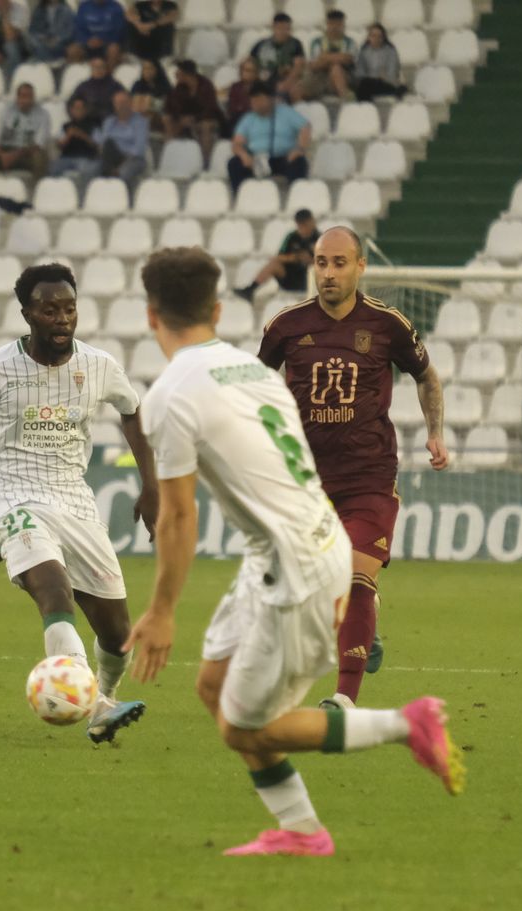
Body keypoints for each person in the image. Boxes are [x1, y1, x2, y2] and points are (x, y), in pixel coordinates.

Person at [126, 246, 463, 859]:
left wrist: (162, 611)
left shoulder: (170, 395)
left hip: (298, 564)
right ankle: (302, 832)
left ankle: (405, 724)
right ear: (217, 310)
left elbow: (178, 516)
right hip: (284, 550)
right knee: (213, 686)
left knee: (244, 726)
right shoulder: (249, 370)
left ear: (151, 316)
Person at [0, 262, 156, 742]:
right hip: (16, 499)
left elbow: (132, 412)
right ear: (27, 314)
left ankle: (103, 699)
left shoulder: (99, 365)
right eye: (49, 310)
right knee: (54, 593)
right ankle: (92, 701)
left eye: (69, 309)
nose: (62, 319)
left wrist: (151, 485)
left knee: (118, 635)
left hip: (75, 502)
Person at [256, 227, 449, 712]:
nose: (328, 273)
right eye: (321, 262)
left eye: (339, 263)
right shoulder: (285, 326)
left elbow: (426, 376)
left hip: (369, 478)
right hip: (306, 483)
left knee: (357, 579)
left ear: (360, 267)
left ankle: (344, 698)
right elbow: (257, 388)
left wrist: (435, 432)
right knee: (313, 590)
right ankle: (364, 625)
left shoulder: (387, 324)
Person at [227, 84, 310, 193]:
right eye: (253, 101)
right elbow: (237, 143)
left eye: (260, 100)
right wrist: (244, 155)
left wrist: (299, 149)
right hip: (256, 160)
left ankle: (297, 196)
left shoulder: (286, 112)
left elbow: (305, 128)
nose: (256, 104)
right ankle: (240, 196)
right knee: (234, 163)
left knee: (299, 162)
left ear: (271, 99)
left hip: (283, 158)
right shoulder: (248, 119)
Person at [235, 209, 318, 302]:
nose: (304, 227)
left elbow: (325, 262)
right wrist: (295, 257)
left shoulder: (319, 238)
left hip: (309, 279)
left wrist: (310, 260)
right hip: (291, 277)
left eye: (306, 224)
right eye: (301, 225)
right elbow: (279, 257)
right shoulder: (291, 237)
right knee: (274, 263)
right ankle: (250, 290)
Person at [0, 82, 50, 179]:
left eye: (29, 96)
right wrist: (3, 155)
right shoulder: (5, 111)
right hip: (5, 151)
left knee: (40, 158)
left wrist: (13, 156)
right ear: (17, 97)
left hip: (27, 154)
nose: (26, 100)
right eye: (23, 96)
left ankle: (37, 187)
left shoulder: (42, 114)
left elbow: (38, 145)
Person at [163, 59, 222, 160]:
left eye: (179, 72)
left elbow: (210, 109)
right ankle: (170, 157)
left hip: (206, 119)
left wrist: (194, 118)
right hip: (187, 119)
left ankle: (205, 161)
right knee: (168, 120)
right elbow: (171, 106)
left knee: (205, 126)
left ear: (187, 74)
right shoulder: (180, 87)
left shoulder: (206, 85)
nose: (176, 74)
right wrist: (180, 118)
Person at [95, 89, 148, 190]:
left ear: (130, 103)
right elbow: (103, 144)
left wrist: (123, 162)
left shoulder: (140, 122)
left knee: (123, 173)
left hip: (132, 159)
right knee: (93, 168)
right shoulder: (109, 122)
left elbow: (139, 149)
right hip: (111, 158)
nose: (121, 105)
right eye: (118, 103)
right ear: (114, 105)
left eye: (124, 102)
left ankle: (122, 196)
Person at [303, 9, 356, 101]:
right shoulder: (317, 42)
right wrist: (338, 57)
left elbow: (348, 60)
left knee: (336, 68)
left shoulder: (349, 42)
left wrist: (324, 57)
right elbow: (314, 65)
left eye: (338, 24)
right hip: (319, 76)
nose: (335, 27)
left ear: (343, 25)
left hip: (344, 76)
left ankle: (346, 101)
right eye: (332, 23)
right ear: (327, 24)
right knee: (297, 89)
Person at [48, 95, 100, 183]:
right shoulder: (65, 126)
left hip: (86, 158)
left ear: (85, 110)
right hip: (67, 158)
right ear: (71, 110)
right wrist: (68, 136)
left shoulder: (93, 126)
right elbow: (59, 146)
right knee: (53, 168)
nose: (78, 111)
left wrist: (83, 136)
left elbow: (97, 146)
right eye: (76, 108)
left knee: (88, 170)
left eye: (81, 108)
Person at [67, 55, 123, 125]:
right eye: (96, 67)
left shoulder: (115, 86)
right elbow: (71, 103)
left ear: (106, 69)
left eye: (101, 67)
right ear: (91, 69)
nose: (99, 70)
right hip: (88, 122)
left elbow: (124, 100)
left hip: (111, 121)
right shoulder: (83, 87)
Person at [250, 12, 305, 84]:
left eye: (287, 29)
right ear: (273, 27)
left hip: (285, 83)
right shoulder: (261, 44)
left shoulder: (295, 44)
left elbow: (298, 66)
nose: (283, 32)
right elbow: (249, 62)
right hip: (261, 82)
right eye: (280, 28)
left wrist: (286, 83)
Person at [353, 23, 403, 101]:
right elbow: (359, 73)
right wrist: (376, 77)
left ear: (383, 37)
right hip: (368, 83)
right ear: (369, 37)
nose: (376, 39)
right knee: (363, 85)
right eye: (373, 36)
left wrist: (378, 78)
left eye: (379, 36)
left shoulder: (391, 51)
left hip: (386, 84)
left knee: (365, 87)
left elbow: (392, 74)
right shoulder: (364, 51)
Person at [69, 0, 125, 65]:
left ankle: (108, 71)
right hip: (87, 44)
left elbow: (119, 30)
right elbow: (78, 28)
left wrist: (103, 40)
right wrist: (87, 40)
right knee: (72, 50)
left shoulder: (116, 7)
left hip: (108, 43)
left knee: (113, 50)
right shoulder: (83, 7)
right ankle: (79, 71)